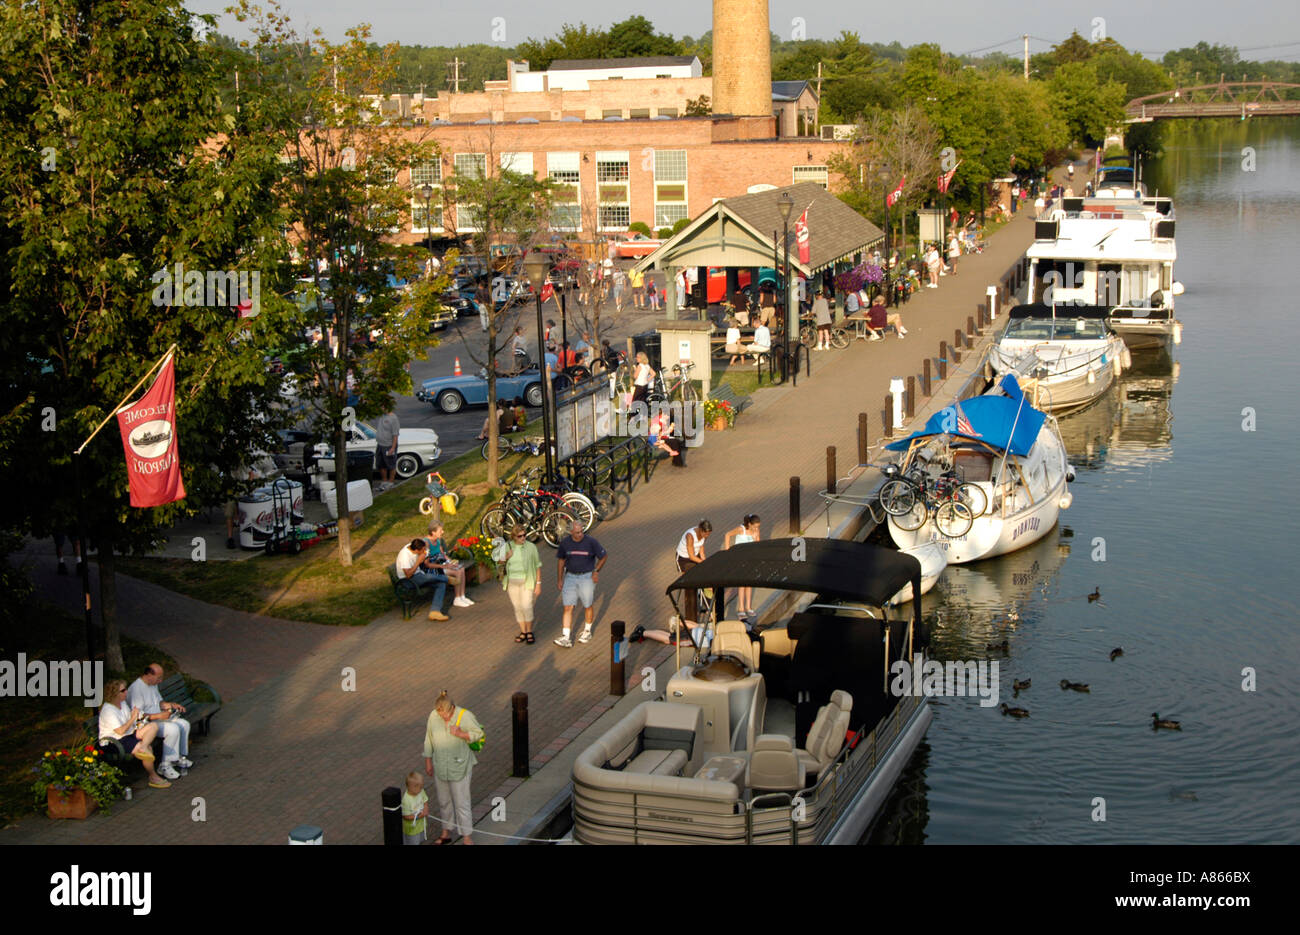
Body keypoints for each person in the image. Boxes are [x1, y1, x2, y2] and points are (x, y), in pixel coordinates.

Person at [423, 690, 483, 845]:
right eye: (440, 714)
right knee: (444, 801)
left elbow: (479, 733)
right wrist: (428, 761)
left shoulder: (465, 715)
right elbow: (428, 739)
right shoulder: (433, 716)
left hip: (460, 766)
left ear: (451, 708)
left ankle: (467, 837)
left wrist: (461, 733)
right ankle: (446, 832)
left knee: (462, 802)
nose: (443, 718)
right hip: (441, 766)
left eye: (446, 715)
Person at [100, 679, 170, 789]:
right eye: (123, 690)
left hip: (128, 734)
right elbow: (120, 731)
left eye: (125, 689)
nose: (126, 692)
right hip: (114, 741)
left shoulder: (122, 703)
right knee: (148, 750)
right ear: (114, 693)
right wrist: (133, 717)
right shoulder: (108, 710)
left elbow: (134, 718)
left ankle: (142, 746)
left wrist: (138, 717)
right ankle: (153, 777)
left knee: (153, 726)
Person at [127, 663, 192, 780]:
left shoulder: (153, 684)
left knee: (184, 724)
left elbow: (159, 702)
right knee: (172, 729)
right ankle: (165, 764)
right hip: (146, 724)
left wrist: (171, 705)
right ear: (149, 675)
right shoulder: (136, 689)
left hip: (159, 718)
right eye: (158, 678)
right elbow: (138, 716)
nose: (160, 681)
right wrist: (159, 716)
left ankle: (179, 757)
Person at [554, 520, 607, 647]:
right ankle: (566, 636)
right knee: (568, 606)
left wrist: (596, 571)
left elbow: (604, 556)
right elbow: (561, 561)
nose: (580, 534)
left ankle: (587, 631)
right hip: (570, 577)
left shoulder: (591, 542)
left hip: (586, 577)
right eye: (577, 532)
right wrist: (560, 579)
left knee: (587, 605)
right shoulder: (565, 543)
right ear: (571, 532)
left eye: (581, 531)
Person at [501, 524, 542, 643]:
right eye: (520, 536)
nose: (523, 538)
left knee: (527, 606)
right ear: (514, 537)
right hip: (512, 582)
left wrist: (538, 583)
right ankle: (523, 631)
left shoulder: (531, 547)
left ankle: (529, 631)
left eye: (524, 535)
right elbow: (498, 562)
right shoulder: (508, 547)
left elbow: (537, 565)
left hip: (527, 581)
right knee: (518, 607)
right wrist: (506, 557)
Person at [396, 538, 449, 621]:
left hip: (419, 575)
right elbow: (408, 575)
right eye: (423, 550)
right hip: (408, 581)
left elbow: (426, 552)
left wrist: (426, 556)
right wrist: (418, 562)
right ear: (417, 550)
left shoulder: (413, 546)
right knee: (428, 577)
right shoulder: (404, 556)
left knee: (441, 583)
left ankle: (435, 612)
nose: (425, 551)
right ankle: (447, 578)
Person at [674, 519, 712, 629]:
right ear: (701, 531)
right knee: (691, 579)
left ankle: (709, 607)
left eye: (709, 534)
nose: (707, 536)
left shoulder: (704, 536)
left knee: (707, 578)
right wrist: (702, 563)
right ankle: (690, 612)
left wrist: (706, 564)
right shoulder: (690, 536)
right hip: (684, 559)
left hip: (695, 557)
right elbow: (691, 556)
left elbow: (702, 553)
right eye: (706, 534)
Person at [426, 521, 473, 608]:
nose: (443, 532)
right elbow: (427, 564)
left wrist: (451, 562)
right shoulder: (426, 543)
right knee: (457, 572)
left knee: (461, 568)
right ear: (433, 532)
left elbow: (443, 554)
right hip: (433, 569)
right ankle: (457, 598)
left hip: (442, 564)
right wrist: (444, 566)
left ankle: (462, 596)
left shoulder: (438, 541)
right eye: (440, 531)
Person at [723, 515, 761, 621]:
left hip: (750, 560)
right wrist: (728, 551)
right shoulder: (741, 529)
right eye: (755, 527)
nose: (756, 529)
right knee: (741, 585)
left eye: (758, 527)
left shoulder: (756, 531)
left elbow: (758, 544)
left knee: (749, 583)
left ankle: (748, 607)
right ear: (749, 524)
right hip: (740, 559)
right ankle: (740, 609)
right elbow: (728, 535)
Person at [401, 771, 430, 845]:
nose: (421, 789)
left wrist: (426, 808)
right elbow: (406, 816)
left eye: (421, 787)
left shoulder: (421, 791)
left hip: (421, 826)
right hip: (411, 830)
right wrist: (420, 816)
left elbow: (425, 800)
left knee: (420, 840)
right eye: (419, 787)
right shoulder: (406, 800)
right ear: (411, 787)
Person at [374, 408, 400, 484]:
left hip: (388, 445)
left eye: (382, 406)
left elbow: (395, 435)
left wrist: (393, 448)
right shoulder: (382, 415)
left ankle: (391, 482)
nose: (381, 408)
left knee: (391, 464)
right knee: (381, 464)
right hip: (380, 444)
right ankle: (384, 481)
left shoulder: (393, 418)